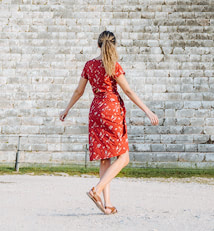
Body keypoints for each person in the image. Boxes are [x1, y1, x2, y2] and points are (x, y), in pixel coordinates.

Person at [59, 30, 159, 214]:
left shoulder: (89, 65)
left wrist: (66, 109)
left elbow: (78, 92)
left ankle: (108, 204)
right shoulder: (113, 65)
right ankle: (96, 190)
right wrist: (148, 110)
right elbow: (128, 91)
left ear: (98, 44)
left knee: (105, 158)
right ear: (114, 45)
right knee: (124, 157)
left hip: (96, 111)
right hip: (112, 110)